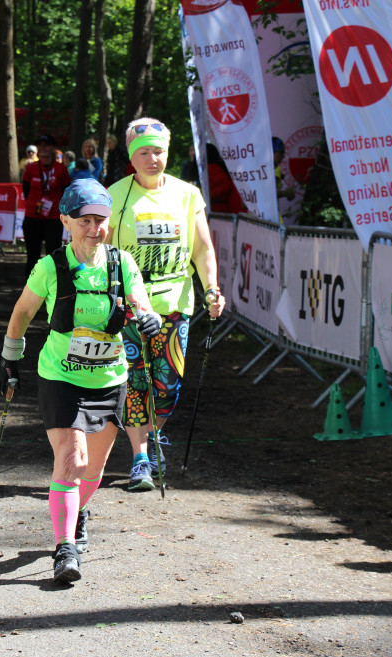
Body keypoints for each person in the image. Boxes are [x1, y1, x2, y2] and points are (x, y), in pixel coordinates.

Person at [0, 178, 162, 584]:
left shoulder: (122, 264)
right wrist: (10, 359)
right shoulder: (50, 266)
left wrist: (149, 318)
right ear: (65, 220)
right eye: (85, 220)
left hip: (109, 379)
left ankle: (78, 512)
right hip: (61, 377)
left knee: (94, 473)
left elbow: (142, 303)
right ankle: (64, 547)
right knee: (74, 461)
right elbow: (21, 314)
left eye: (101, 220)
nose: (94, 228)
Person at [105, 118, 225, 491]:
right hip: (130, 308)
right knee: (135, 381)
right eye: (144, 152)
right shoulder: (115, 194)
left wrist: (212, 288)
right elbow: (102, 250)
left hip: (176, 304)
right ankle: (141, 457)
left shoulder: (188, 195)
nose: (152, 158)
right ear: (131, 156)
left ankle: (155, 436)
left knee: (167, 385)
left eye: (158, 151)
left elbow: (203, 248)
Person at [21, 134, 71, 275]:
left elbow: (65, 191)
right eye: (40, 145)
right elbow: (26, 190)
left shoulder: (61, 169)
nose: (43, 148)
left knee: (53, 255)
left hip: (53, 218)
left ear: (54, 148)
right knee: (32, 255)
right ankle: (30, 288)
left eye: (46, 145)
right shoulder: (30, 168)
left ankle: (52, 288)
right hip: (32, 217)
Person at [206, 143, 247, 214]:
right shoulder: (212, 167)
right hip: (219, 208)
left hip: (219, 208)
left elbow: (226, 185)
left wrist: (208, 194)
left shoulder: (212, 168)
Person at [273, 136, 297, 201]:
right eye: (281, 152)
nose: (283, 156)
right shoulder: (275, 168)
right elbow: (270, 192)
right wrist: (286, 193)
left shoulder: (257, 169)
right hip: (270, 211)